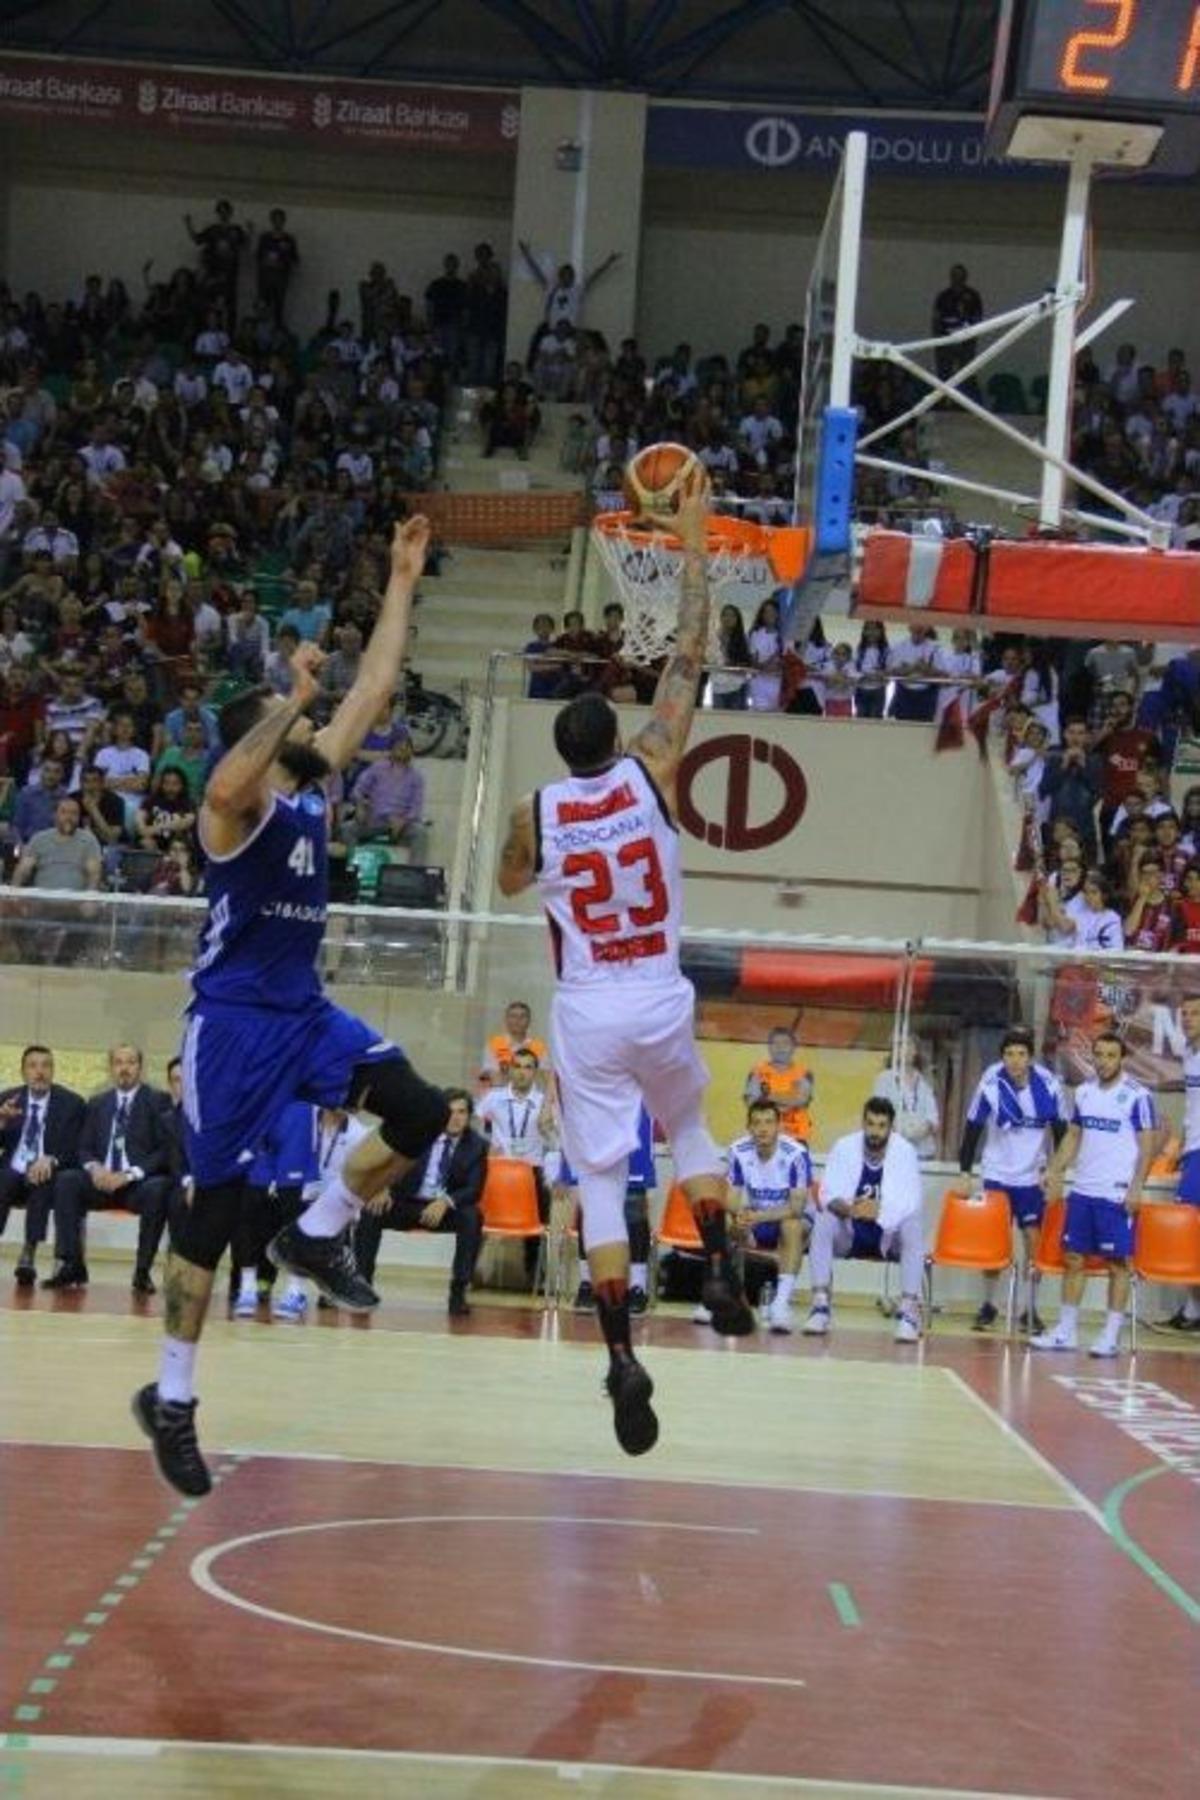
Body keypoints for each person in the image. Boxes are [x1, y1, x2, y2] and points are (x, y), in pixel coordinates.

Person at [131, 516, 451, 1499]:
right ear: (266, 736)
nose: (311, 724)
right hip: (230, 1029)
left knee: (420, 1108)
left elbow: (377, 690)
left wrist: (400, 581)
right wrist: (288, 703)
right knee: (213, 1213)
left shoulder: (310, 794)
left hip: (305, 1015)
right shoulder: (234, 810)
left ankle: (318, 1229)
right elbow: (230, 776)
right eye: (289, 717)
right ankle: (173, 1400)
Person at [496, 463, 754, 1459]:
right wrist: (691, 544)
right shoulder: (653, 768)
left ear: (561, 750)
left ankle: (618, 1354)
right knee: (689, 1125)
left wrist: (536, 847)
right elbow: (691, 652)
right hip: (658, 991)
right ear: (617, 736)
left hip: (587, 1004)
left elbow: (514, 885)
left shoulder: (537, 812)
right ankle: (723, 1266)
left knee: (600, 1181)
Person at [1031, 1033, 1159, 1358]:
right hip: (1083, 1191)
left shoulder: (1137, 1096)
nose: (1103, 1061)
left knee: (1118, 1264)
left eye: (1110, 1055)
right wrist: (1056, 1169)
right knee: (1074, 1259)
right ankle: (1066, 1331)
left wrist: (1136, 1188)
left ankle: (1110, 1335)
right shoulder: (1085, 1093)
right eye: (1098, 1054)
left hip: (1115, 1194)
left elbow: (1147, 1149)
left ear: (1122, 1058)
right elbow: (1073, 1136)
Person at [954, 1029, 1068, 1335]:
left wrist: (1056, 1174)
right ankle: (989, 1305)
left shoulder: (1048, 1084)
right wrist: (965, 1172)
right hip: (996, 1174)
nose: (1015, 1061)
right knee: (994, 1241)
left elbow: (1061, 1131)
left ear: (1030, 1058)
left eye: (1021, 1054)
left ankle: (1028, 1309)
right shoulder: (992, 1082)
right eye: (1009, 1055)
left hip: (1032, 1176)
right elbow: (973, 1128)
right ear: (1002, 1057)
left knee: (1033, 1240)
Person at [803, 1096, 925, 1344]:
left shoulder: (905, 1152)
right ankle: (820, 1305)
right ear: (863, 1123)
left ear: (891, 1128)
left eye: (881, 1126)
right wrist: (848, 1209)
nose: (875, 1132)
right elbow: (827, 1193)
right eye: (870, 1124)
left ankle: (909, 1311)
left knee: (913, 1226)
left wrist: (879, 1210)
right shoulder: (844, 1147)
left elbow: (912, 1201)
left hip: (888, 1235)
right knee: (824, 1218)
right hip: (850, 1231)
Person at [354, 1090, 487, 1315]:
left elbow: (473, 1190)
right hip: (406, 1202)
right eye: (450, 1112)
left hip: (443, 1209)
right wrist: (381, 1187)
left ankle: (458, 1292)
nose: (455, 1118)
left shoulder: (477, 1145)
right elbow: (386, 1162)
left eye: (462, 1112)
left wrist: (445, 1201)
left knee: (472, 1217)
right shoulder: (417, 1133)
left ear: (469, 1117)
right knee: (371, 1211)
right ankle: (362, 1286)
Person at [56, 1044, 176, 1295]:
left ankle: (142, 1271)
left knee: (160, 1188)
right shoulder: (98, 1102)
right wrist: (96, 1169)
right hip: (101, 1182)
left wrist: (128, 1174)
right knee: (68, 1180)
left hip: (137, 1185)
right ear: (111, 1068)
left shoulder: (158, 1101)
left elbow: (164, 1151)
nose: (124, 1068)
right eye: (119, 1062)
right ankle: (72, 1265)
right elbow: (84, 1147)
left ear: (140, 1069)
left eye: (131, 1062)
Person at [721, 1099, 811, 1335]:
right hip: (757, 1218)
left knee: (791, 1225)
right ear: (748, 1127)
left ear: (779, 1126)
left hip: (787, 1219)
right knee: (725, 1220)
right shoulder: (738, 1151)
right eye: (757, 1123)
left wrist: (758, 1216)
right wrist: (738, 1213)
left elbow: (797, 1207)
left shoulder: (796, 1155)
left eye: (769, 1122)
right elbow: (730, 1197)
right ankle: (724, 1296)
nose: (763, 1128)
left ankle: (781, 1304)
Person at [0, 1045, 86, 1290]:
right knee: (3, 1178)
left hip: (45, 1171)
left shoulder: (71, 1103)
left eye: (46, 1065)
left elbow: (77, 1148)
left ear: (53, 1070)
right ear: (23, 1072)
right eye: (33, 1066)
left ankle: (28, 1253)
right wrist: (1, 1121)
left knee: (43, 1180)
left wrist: (52, 1159)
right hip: (11, 1169)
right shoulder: (8, 1099)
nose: (40, 1072)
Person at [871, 1040, 939, 1160]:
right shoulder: (885, 1079)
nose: (905, 1049)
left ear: (915, 1051)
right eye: (900, 1045)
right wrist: (901, 1134)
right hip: (893, 1151)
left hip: (923, 1153)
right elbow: (878, 1112)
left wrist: (917, 1133)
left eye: (909, 1045)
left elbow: (932, 1117)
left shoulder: (925, 1082)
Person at [744, 1027, 814, 1143]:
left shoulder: (804, 1073)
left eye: (785, 1043)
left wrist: (767, 1096)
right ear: (769, 1047)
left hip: (796, 1135)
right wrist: (789, 1098)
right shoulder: (757, 1072)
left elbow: (801, 1101)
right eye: (775, 1043)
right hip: (763, 1135)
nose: (780, 1048)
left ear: (793, 1048)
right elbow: (752, 1102)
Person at [480, 1001, 548, 1086]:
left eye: (522, 1016)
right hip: (501, 1094)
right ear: (506, 1020)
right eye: (513, 1016)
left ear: (529, 1020)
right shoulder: (494, 1043)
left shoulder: (539, 1046)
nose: (517, 1020)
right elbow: (492, 1075)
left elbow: (545, 1076)